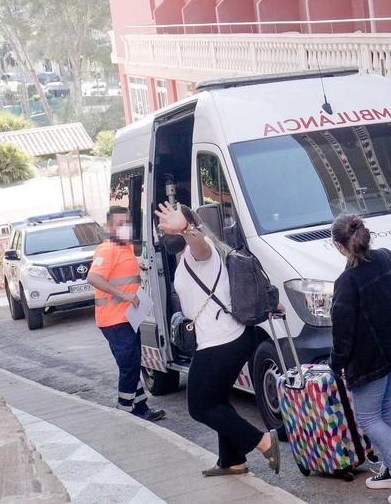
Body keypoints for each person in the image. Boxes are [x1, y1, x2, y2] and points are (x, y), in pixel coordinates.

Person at [154, 202, 280, 477]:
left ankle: (262, 441)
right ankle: (232, 460)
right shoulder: (187, 256)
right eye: (162, 228)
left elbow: (200, 246)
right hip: (226, 338)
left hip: (221, 341)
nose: (163, 232)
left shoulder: (201, 250)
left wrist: (187, 228)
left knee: (200, 406)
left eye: (167, 226)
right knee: (217, 399)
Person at [328, 213, 391, 504]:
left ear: (338, 245)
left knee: (368, 417)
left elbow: (343, 334)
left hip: (368, 361)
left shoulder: (346, 282)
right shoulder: (388, 258)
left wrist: (336, 365)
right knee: (384, 409)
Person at [86, 206, 166, 422]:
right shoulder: (107, 249)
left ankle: (140, 408)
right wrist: (124, 295)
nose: (124, 228)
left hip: (128, 317)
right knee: (129, 366)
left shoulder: (126, 247)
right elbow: (93, 278)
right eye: (119, 224)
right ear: (109, 227)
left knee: (132, 363)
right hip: (114, 320)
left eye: (127, 224)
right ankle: (124, 411)